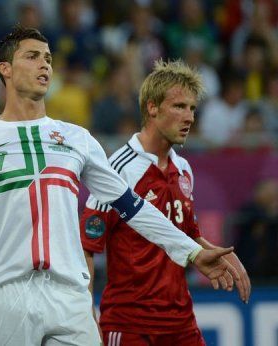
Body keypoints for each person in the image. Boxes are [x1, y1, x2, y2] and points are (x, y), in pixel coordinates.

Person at [0, 26, 241, 345]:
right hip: (8, 297)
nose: (44, 64)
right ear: (4, 69)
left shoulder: (76, 138)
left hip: (69, 297)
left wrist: (190, 253)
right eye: (33, 56)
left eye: (48, 58)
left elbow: (133, 207)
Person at [80, 60, 251, 345]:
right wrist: (86, 318)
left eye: (192, 109)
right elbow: (87, 247)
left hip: (181, 323)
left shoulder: (184, 169)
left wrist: (215, 252)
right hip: (131, 324)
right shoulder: (117, 169)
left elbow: (186, 237)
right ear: (152, 107)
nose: (189, 118)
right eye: (179, 107)